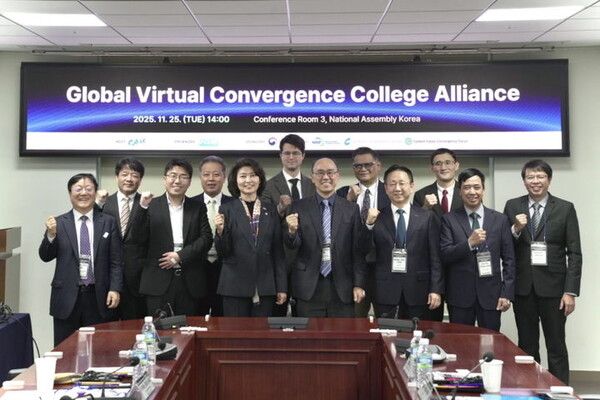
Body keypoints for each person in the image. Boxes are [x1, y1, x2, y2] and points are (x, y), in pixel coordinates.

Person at [503, 159, 581, 384]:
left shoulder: (565, 208)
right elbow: (505, 247)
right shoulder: (512, 206)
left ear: (549, 180)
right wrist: (515, 229)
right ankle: (530, 389)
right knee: (526, 346)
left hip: (555, 290)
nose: (535, 181)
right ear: (524, 181)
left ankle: (560, 391)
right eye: (530, 177)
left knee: (556, 345)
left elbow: (574, 253)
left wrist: (570, 292)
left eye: (540, 176)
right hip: (523, 288)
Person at [39, 173, 122, 345]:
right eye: (78, 189)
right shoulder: (59, 223)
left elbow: (116, 261)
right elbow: (45, 256)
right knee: (66, 349)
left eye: (88, 189)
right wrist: (50, 235)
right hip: (66, 297)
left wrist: (115, 288)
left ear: (95, 192)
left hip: (99, 297)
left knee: (100, 349)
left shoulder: (108, 222)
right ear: (70, 193)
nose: (84, 193)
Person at [285, 158, 367, 317]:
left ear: (338, 175)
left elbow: (357, 251)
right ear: (312, 177)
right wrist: (292, 232)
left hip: (342, 286)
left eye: (330, 172)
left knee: (341, 332)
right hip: (308, 286)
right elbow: (291, 246)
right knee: (308, 332)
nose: (325, 177)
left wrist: (358, 284)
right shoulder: (299, 207)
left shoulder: (351, 209)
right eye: (320, 173)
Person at [440, 168, 515, 332]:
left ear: (483, 189)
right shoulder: (449, 219)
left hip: (491, 295)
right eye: (467, 187)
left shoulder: (500, 220)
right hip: (459, 296)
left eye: (476, 187)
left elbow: (509, 260)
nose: (472, 192)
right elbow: (445, 255)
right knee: (460, 342)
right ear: (460, 191)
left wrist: (506, 293)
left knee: (490, 342)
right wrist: (469, 243)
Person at [135, 159, 213, 316]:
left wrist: (180, 256)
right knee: (159, 327)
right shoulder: (150, 205)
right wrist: (142, 208)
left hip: (190, 281)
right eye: (173, 175)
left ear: (189, 182)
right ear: (165, 179)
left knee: (189, 327)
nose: (177, 181)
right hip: (158, 282)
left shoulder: (197, 207)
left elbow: (206, 239)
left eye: (183, 176)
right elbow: (137, 238)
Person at [365, 165, 443, 319]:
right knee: (387, 332)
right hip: (385, 290)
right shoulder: (376, 217)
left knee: (417, 333)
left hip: (419, 290)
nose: (397, 188)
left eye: (402, 183)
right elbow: (366, 252)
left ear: (412, 186)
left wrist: (436, 289)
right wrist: (368, 225)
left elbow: (435, 257)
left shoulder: (427, 217)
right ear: (386, 188)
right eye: (392, 184)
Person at [214, 158, 287, 317]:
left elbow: (278, 252)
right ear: (235, 181)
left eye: (253, 175)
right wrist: (220, 232)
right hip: (234, 286)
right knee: (235, 331)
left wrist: (281, 287)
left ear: (259, 179)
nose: (248, 180)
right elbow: (223, 252)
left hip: (265, 286)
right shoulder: (226, 209)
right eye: (243, 176)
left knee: (261, 332)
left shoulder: (271, 209)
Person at [261, 134, 315, 317]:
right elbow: (263, 223)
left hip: (308, 258)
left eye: (296, 153)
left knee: (305, 315)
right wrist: (279, 209)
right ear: (280, 156)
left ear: (303, 156)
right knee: (277, 315)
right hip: (280, 258)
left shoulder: (313, 184)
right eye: (287, 153)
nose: (291, 157)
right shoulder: (267, 186)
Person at [336, 147, 390, 317]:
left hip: (383, 264)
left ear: (378, 166)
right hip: (353, 266)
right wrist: (348, 201)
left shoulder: (390, 190)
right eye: (358, 166)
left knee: (385, 319)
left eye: (368, 164)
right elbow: (337, 226)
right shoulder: (343, 193)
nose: (363, 169)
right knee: (355, 319)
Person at [413, 148, 462, 322]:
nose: (443, 167)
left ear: (456, 165)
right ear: (432, 168)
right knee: (432, 321)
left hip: (459, 262)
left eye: (448, 162)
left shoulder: (467, 191)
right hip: (431, 263)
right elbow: (415, 229)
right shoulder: (421, 194)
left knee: (460, 320)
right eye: (438, 163)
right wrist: (424, 208)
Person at [97, 158, 147, 320]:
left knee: (134, 327)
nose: (129, 179)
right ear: (116, 177)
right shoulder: (104, 204)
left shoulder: (148, 204)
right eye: (125, 174)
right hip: (107, 278)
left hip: (137, 279)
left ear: (140, 179)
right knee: (107, 328)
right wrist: (98, 205)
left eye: (135, 175)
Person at [191, 156, 233, 317]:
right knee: (196, 318)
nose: (211, 179)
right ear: (200, 177)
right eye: (206, 174)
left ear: (224, 177)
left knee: (223, 319)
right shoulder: (190, 204)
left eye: (216, 174)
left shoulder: (235, 204)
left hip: (226, 270)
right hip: (197, 270)